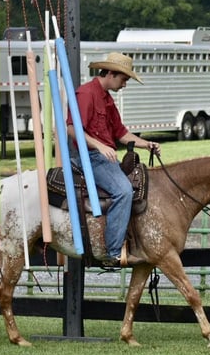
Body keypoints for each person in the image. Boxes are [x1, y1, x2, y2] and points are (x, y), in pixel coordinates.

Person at [66, 52, 160, 268]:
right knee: (123, 190)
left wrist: (146, 144)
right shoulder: (86, 93)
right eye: (124, 79)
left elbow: (121, 133)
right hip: (87, 156)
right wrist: (100, 146)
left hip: (101, 156)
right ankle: (114, 252)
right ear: (110, 73)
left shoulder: (107, 98)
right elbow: (72, 129)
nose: (124, 85)